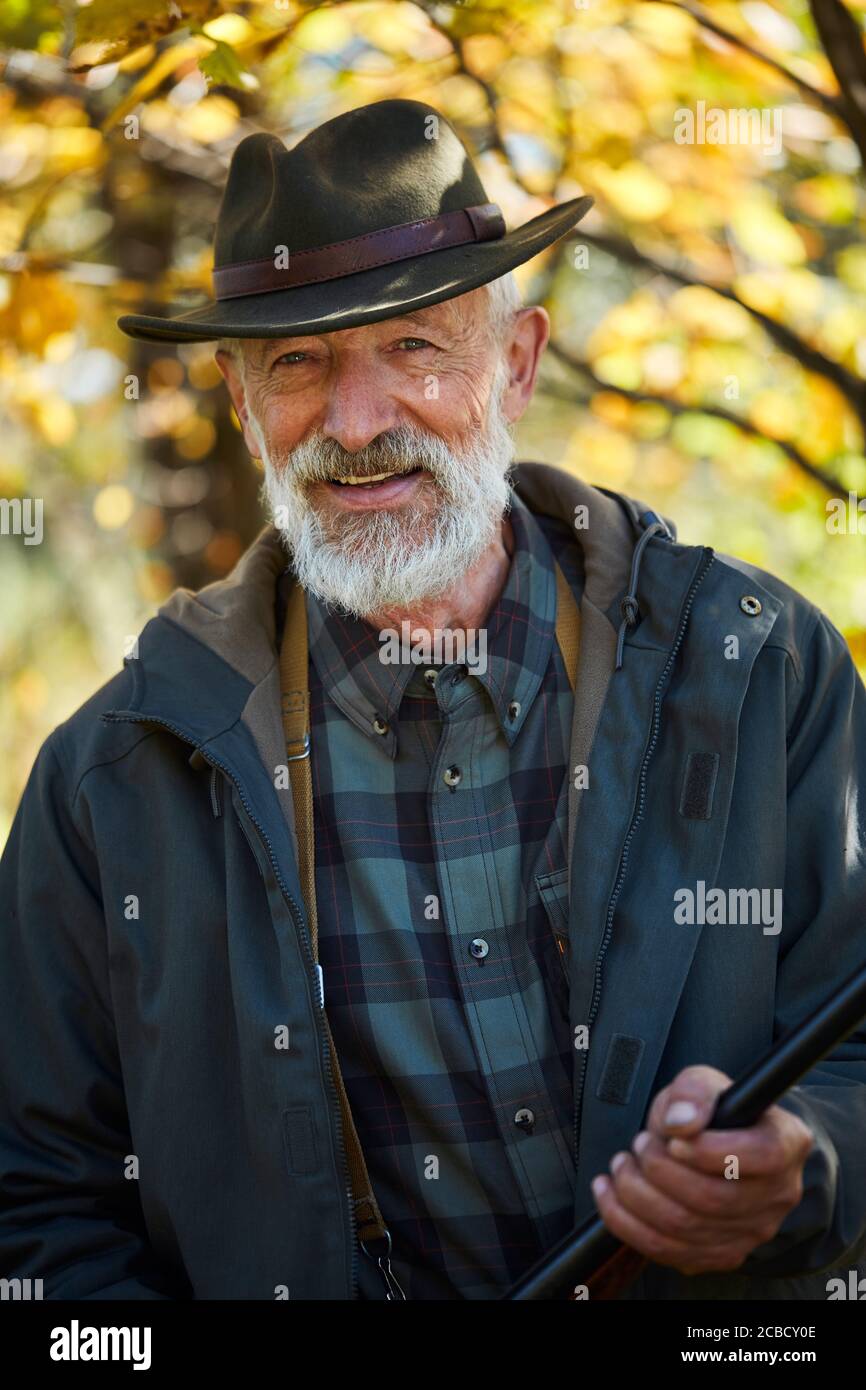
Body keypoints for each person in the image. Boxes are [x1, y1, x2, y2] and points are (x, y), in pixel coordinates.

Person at [1, 99, 864, 1301]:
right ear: (239, 403)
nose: (355, 424)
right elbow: (38, 1204)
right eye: (296, 363)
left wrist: (804, 1161)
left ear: (515, 363)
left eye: (413, 346)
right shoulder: (110, 784)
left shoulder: (758, 666)